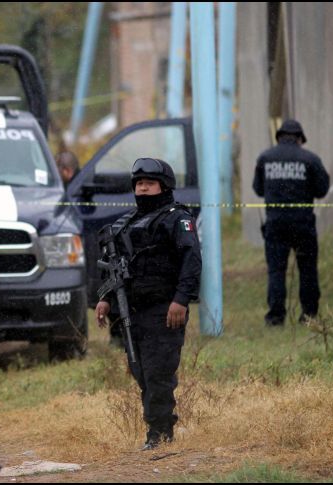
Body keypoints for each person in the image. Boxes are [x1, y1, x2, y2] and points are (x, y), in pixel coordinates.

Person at [95, 157, 201, 450]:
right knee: (140, 369)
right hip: (132, 312)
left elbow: (191, 261)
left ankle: (160, 434)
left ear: (163, 186)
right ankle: (158, 427)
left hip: (164, 310)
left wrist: (181, 300)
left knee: (158, 372)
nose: (142, 188)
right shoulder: (125, 223)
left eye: (149, 183)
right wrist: (104, 299)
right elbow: (114, 268)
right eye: (139, 183)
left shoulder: (177, 219)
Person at [252, 119, 330, 326]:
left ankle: (276, 318)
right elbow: (322, 190)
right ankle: (309, 316)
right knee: (307, 269)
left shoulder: (265, 158)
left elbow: (258, 190)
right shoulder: (310, 159)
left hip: (275, 224)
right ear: (300, 139)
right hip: (303, 223)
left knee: (276, 271)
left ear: (279, 137)